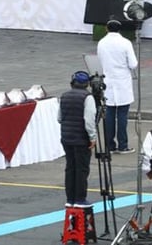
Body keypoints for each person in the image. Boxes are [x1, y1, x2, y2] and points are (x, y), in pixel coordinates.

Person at [97, 18, 138, 153]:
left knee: (109, 114)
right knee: (122, 115)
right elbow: (133, 64)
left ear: (107, 28)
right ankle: (123, 144)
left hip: (108, 80)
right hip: (122, 82)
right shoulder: (125, 43)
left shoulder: (101, 43)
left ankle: (110, 145)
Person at [58, 71, 97, 207]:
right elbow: (89, 120)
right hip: (81, 138)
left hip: (66, 137)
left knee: (70, 168)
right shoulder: (88, 97)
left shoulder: (64, 96)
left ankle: (70, 198)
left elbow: (59, 118)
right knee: (82, 169)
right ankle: (80, 198)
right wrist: (93, 137)